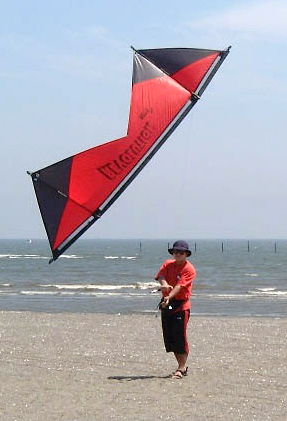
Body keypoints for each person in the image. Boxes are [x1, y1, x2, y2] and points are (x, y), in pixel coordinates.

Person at [155, 240, 196, 379]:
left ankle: (181, 368)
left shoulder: (189, 269)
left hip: (181, 305)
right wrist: (165, 284)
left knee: (180, 336)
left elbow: (179, 286)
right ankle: (180, 365)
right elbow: (160, 276)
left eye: (181, 252)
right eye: (176, 251)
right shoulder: (168, 264)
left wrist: (169, 296)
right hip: (167, 304)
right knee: (170, 337)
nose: (178, 254)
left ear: (186, 254)